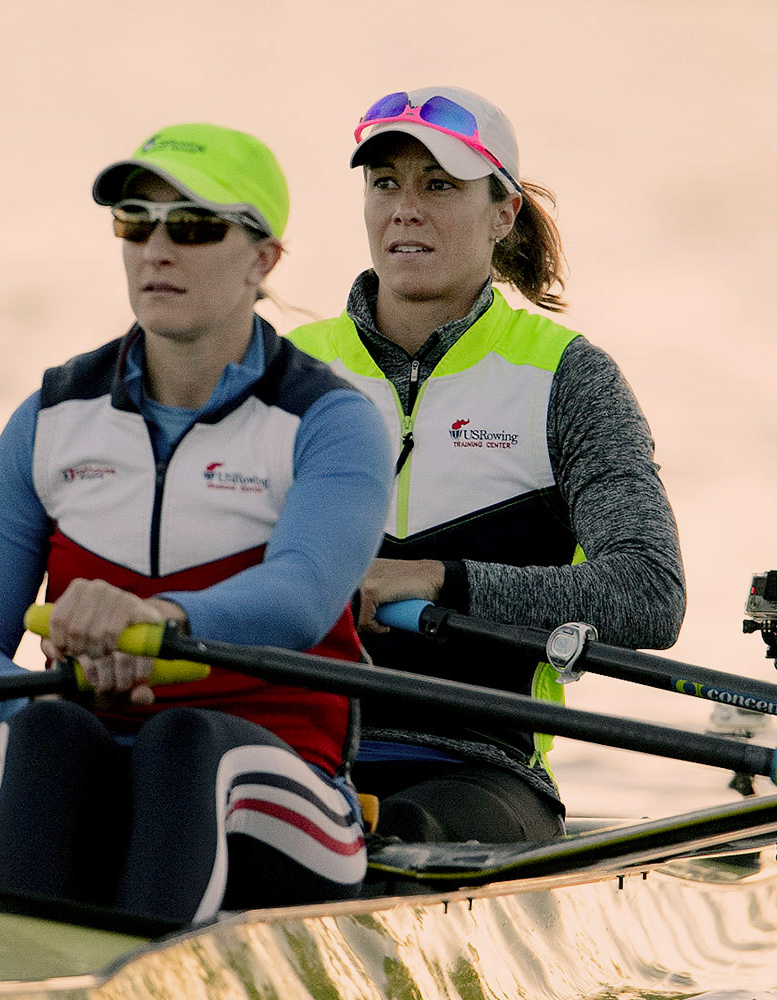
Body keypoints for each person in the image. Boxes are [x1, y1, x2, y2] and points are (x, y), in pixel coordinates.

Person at [0, 124, 392, 924]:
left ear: (263, 259)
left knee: (183, 745)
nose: (157, 249)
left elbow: (304, 596)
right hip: (91, 762)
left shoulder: (330, 422)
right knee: (48, 738)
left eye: (195, 225)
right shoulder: (52, 419)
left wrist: (154, 624)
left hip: (282, 785)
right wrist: (46, 696)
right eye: (135, 221)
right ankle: (13, 967)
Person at [288, 87, 686, 844]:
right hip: (289, 747)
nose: (405, 208)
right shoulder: (285, 373)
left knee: (393, 829)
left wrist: (440, 579)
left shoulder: (569, 379)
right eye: (385, 184)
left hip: (479, 768)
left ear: (503, 213)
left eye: (438, 185)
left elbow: (649, 593)